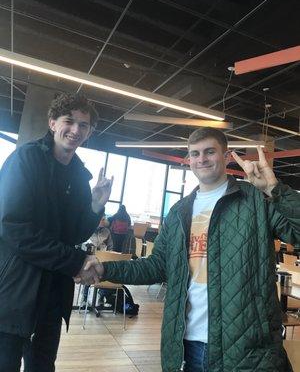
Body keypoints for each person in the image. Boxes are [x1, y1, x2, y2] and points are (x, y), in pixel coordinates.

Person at [85, 127, 300, 372]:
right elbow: (157, 266)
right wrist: (104, 268)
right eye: (195, 154)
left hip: (247, 349)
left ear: (226, 156)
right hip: (187, 345)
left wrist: (274, 189)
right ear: (188, 160)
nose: (202, 159)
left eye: (210, 152)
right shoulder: (179, 211)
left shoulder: (255, 199)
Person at [0, 92, 113, 372]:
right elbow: (14, 227)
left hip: (53, 292)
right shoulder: (25, 159)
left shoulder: (79, 176)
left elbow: (74, 234)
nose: (75, 130)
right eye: (69, 121)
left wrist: (95, 207)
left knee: (42, 366)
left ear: (89, 132)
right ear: (52, 123)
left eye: (83, 125)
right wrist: (76, 262)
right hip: (15, 288)